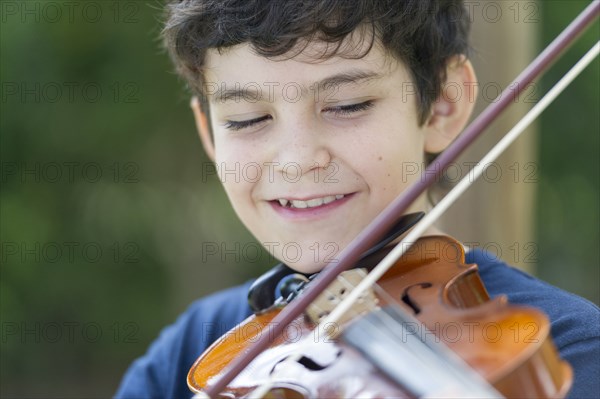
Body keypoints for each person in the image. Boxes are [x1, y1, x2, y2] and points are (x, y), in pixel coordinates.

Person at [115, 0, 600, 397]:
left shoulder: (567, 350)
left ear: (443, 105)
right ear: (210, 133)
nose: (296, 161)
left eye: (347, 106)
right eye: (246, 119)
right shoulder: (196, 348)